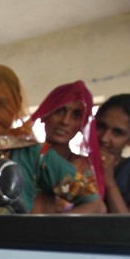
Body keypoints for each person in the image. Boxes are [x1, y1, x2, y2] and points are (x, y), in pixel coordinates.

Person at [0, 65, 105, 213]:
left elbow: (95, 205)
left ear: (17, 104)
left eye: (1, 104)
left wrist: (48, 232)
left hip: (15, 244)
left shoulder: (35, 155)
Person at [28, 80, 104, 211]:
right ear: (45, 114)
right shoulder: (26, 155)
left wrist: (55, 229)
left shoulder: (84, 167)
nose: (65, 121)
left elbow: (97, 209)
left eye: (76, 115)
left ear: (82, 124)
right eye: (60, 111)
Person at [95, 93, 130, 212]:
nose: (104, 138)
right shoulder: (71, 164)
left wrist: (109, 182)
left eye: (117, 133)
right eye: (100, 126)